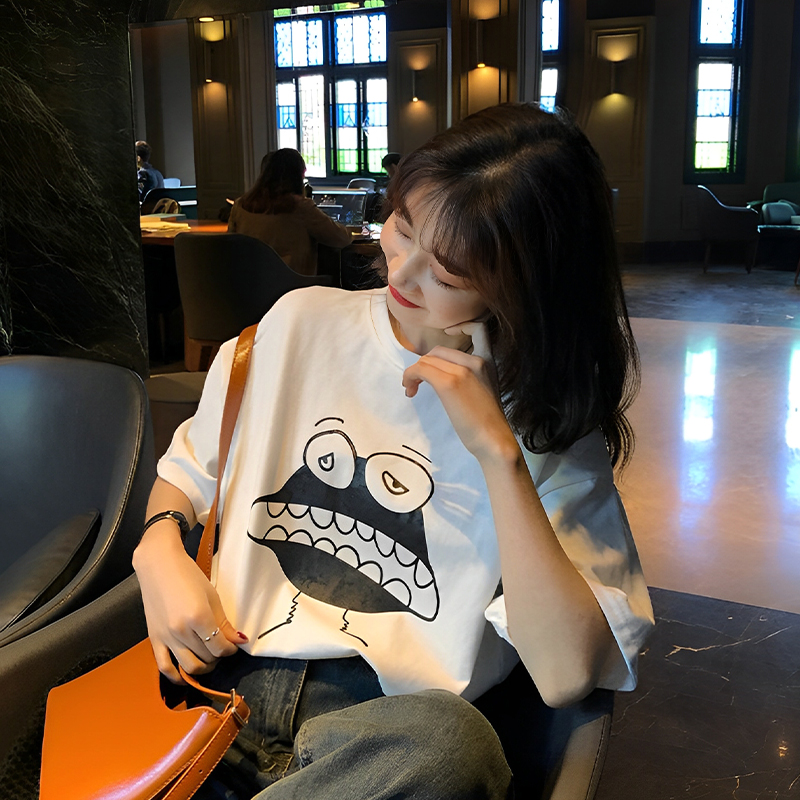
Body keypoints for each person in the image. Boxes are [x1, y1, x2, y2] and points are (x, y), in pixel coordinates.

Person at [133, 103, 654, 799]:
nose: (400, 275)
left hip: (383, 739)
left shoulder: (548, 422)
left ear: (526, 286)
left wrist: (497, 452)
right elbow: (188, 474)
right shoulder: (298, 323)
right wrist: (157, 550)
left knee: (451, 747)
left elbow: (565, 675)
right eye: (402, 227)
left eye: (449, 274)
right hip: (217, 691)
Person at [227, 149, 351, 276]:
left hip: (249, 281)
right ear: (298, 175)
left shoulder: (240, 205)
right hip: (292, 283)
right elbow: (341, 238)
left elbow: (230, 245)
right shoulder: (300, 207)